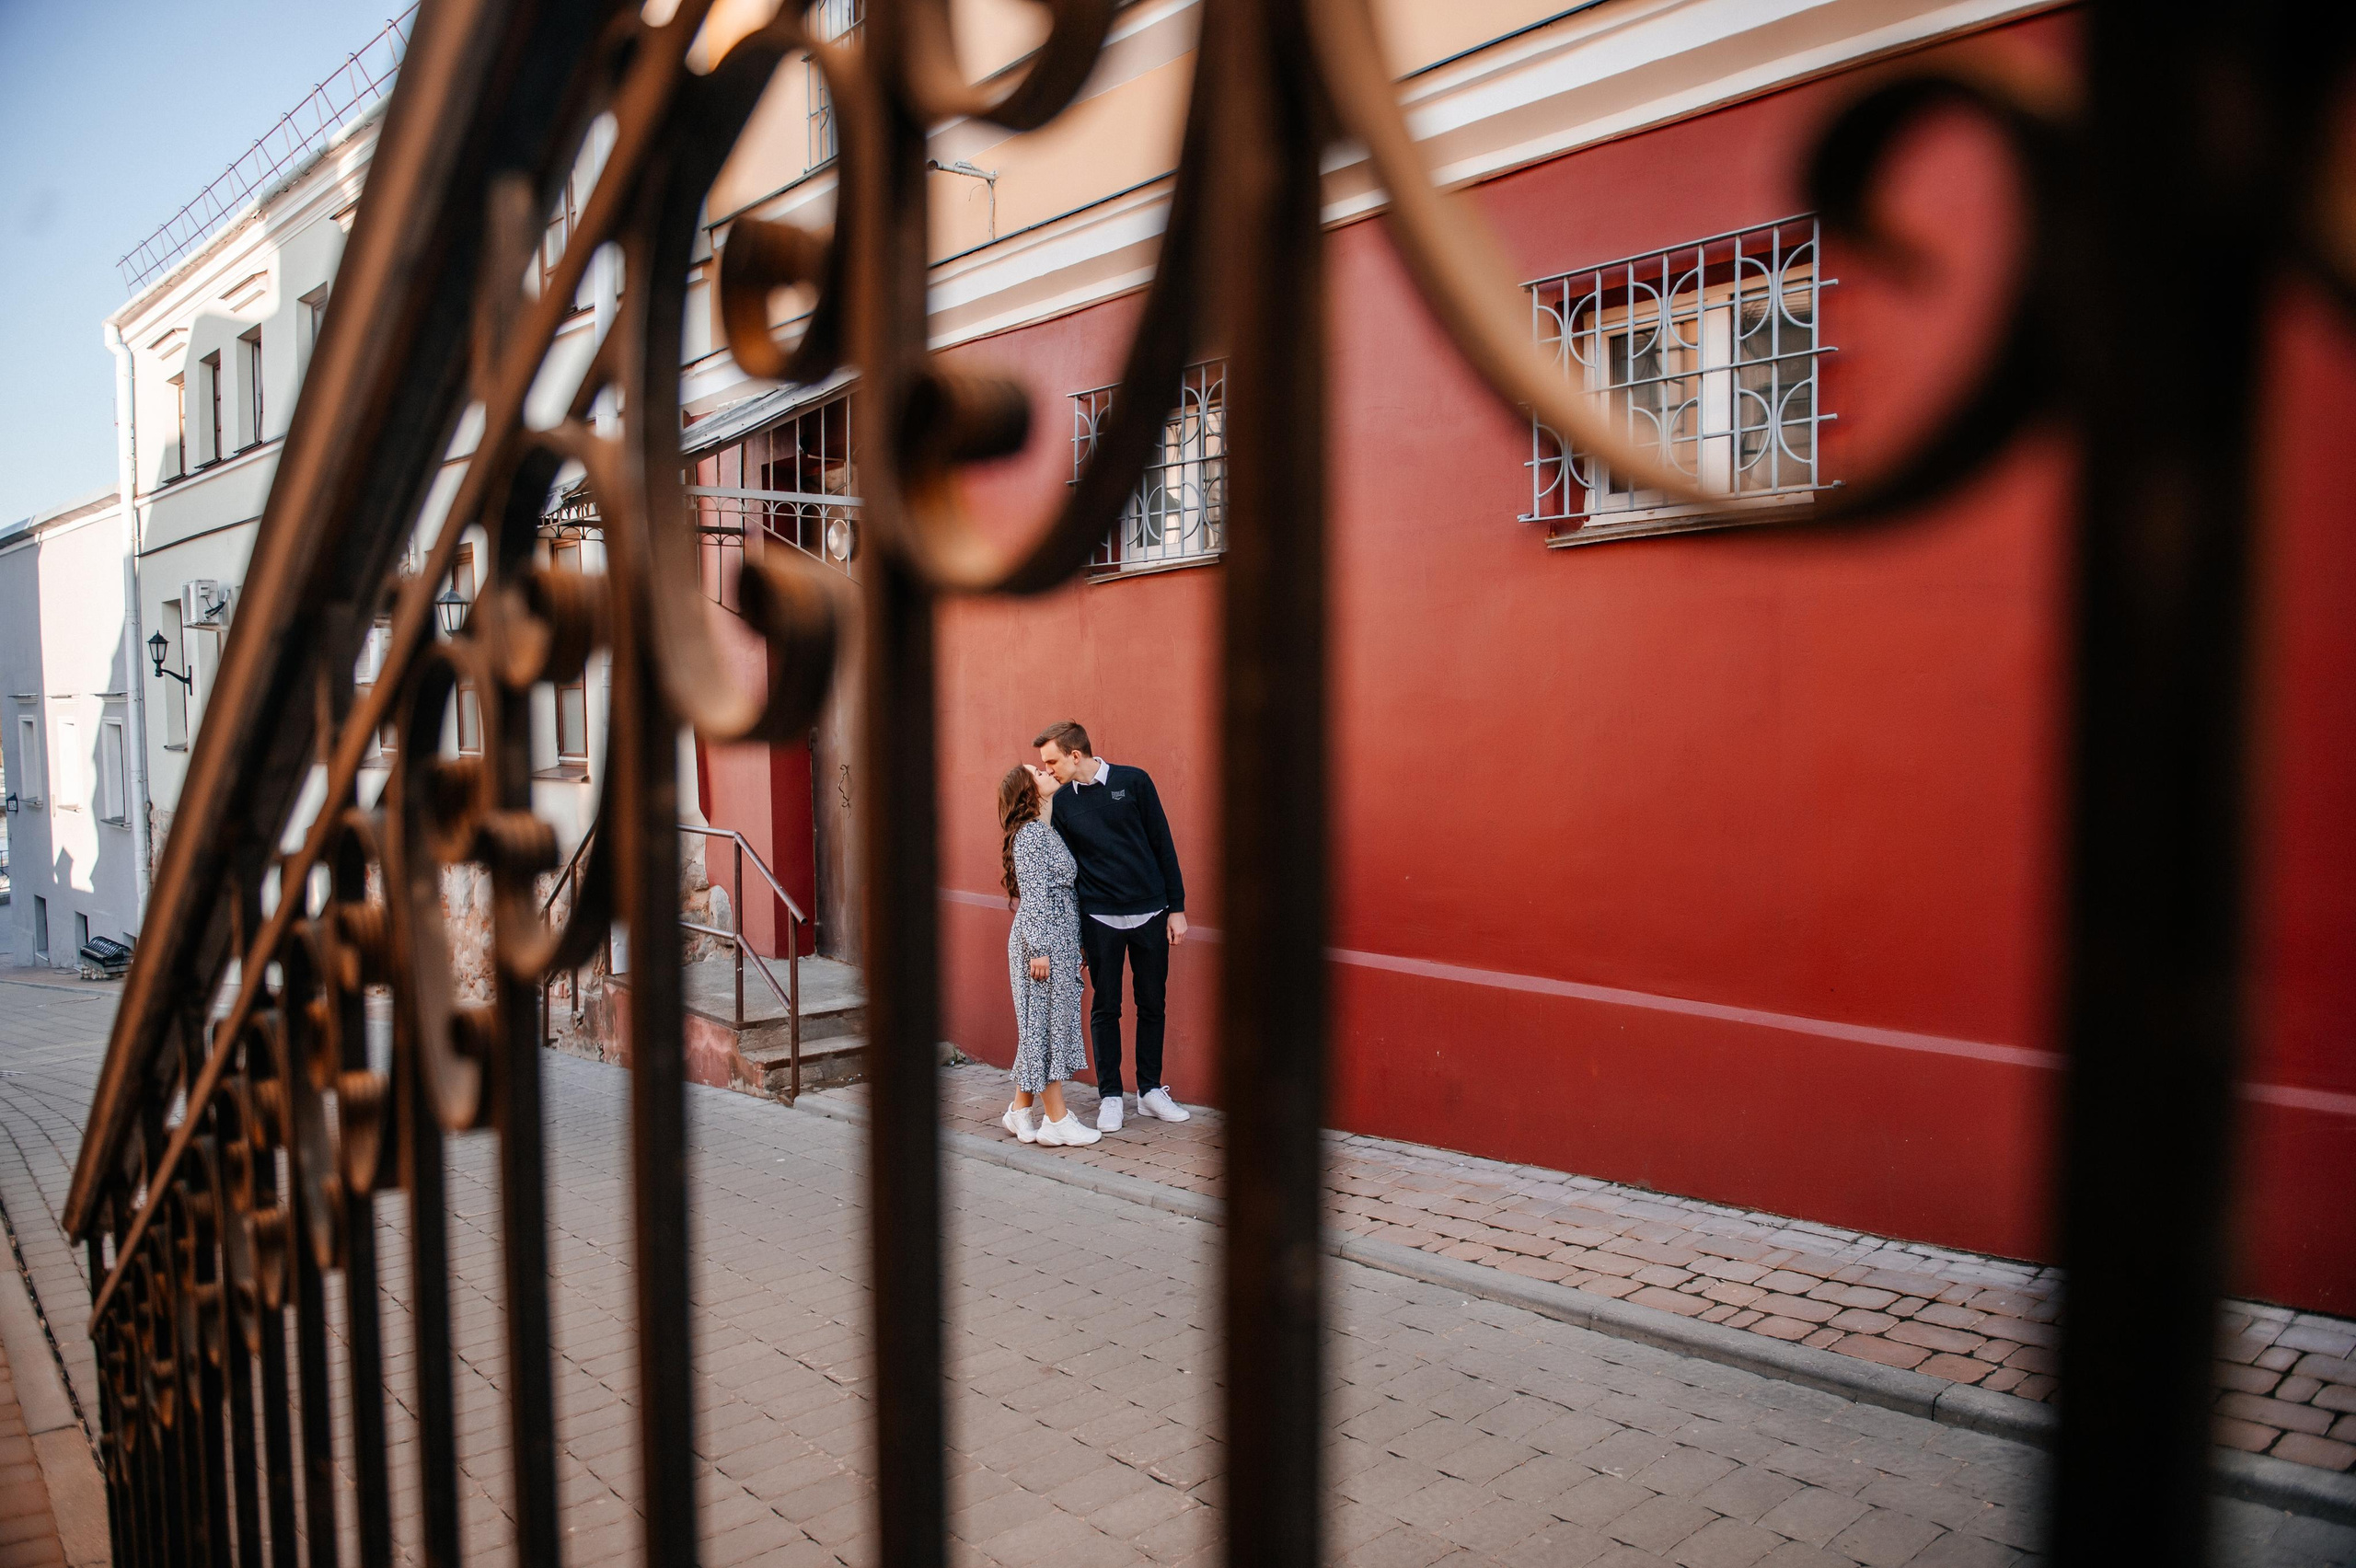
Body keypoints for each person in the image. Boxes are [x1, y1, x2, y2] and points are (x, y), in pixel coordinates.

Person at [1034, 720, 1192, 1133]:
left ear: (1075, 755)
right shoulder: (1061, 803)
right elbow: (1064, 871)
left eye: (1052, 762)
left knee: (1152, 1002)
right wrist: (1075, 934)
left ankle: (1150, 1091)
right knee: (1106, 1007)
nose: (1048, 770)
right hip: (1099, 918)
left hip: (1151, 912)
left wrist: (1176, 907)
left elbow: (1162, 842)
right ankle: (1110, 1097)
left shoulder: (1134, 781)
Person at [998, 763, 1101, 1147]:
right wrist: (1040, 950)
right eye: (1037, 772)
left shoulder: (1045, 831)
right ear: (1028, 790)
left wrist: (1075, 943)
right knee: (1042, 1027)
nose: (1046, 771)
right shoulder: (1030, 836)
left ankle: (1019, 1110)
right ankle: (1056, 1120)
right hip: (1040, 945)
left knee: (1040, 1026)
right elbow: (1035, 897)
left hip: (1058, 939)